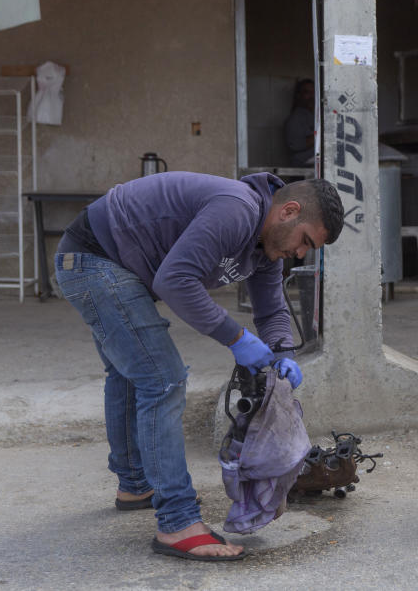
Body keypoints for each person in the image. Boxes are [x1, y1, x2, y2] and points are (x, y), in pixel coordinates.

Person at [54, 172, 344, 561]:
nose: (302, 253)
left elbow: (272, 308)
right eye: (306, 240)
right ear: (289, 211)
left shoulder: (264, 247)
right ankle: (177, 523)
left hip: (107, 263)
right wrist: (237, 339)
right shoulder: (238, 209)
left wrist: (283, 353)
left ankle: (135, 483)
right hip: (94, 259)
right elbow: (175, 281)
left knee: (131, 374)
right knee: (163, 379)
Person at [284, 78, 316, 166]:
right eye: (307, 92)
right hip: (302, 169)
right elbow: (295, 145)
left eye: (313, 92)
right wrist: (321, 135)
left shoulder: (316, 115)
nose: (311, 96)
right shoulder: (295, 118)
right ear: (299, 95)